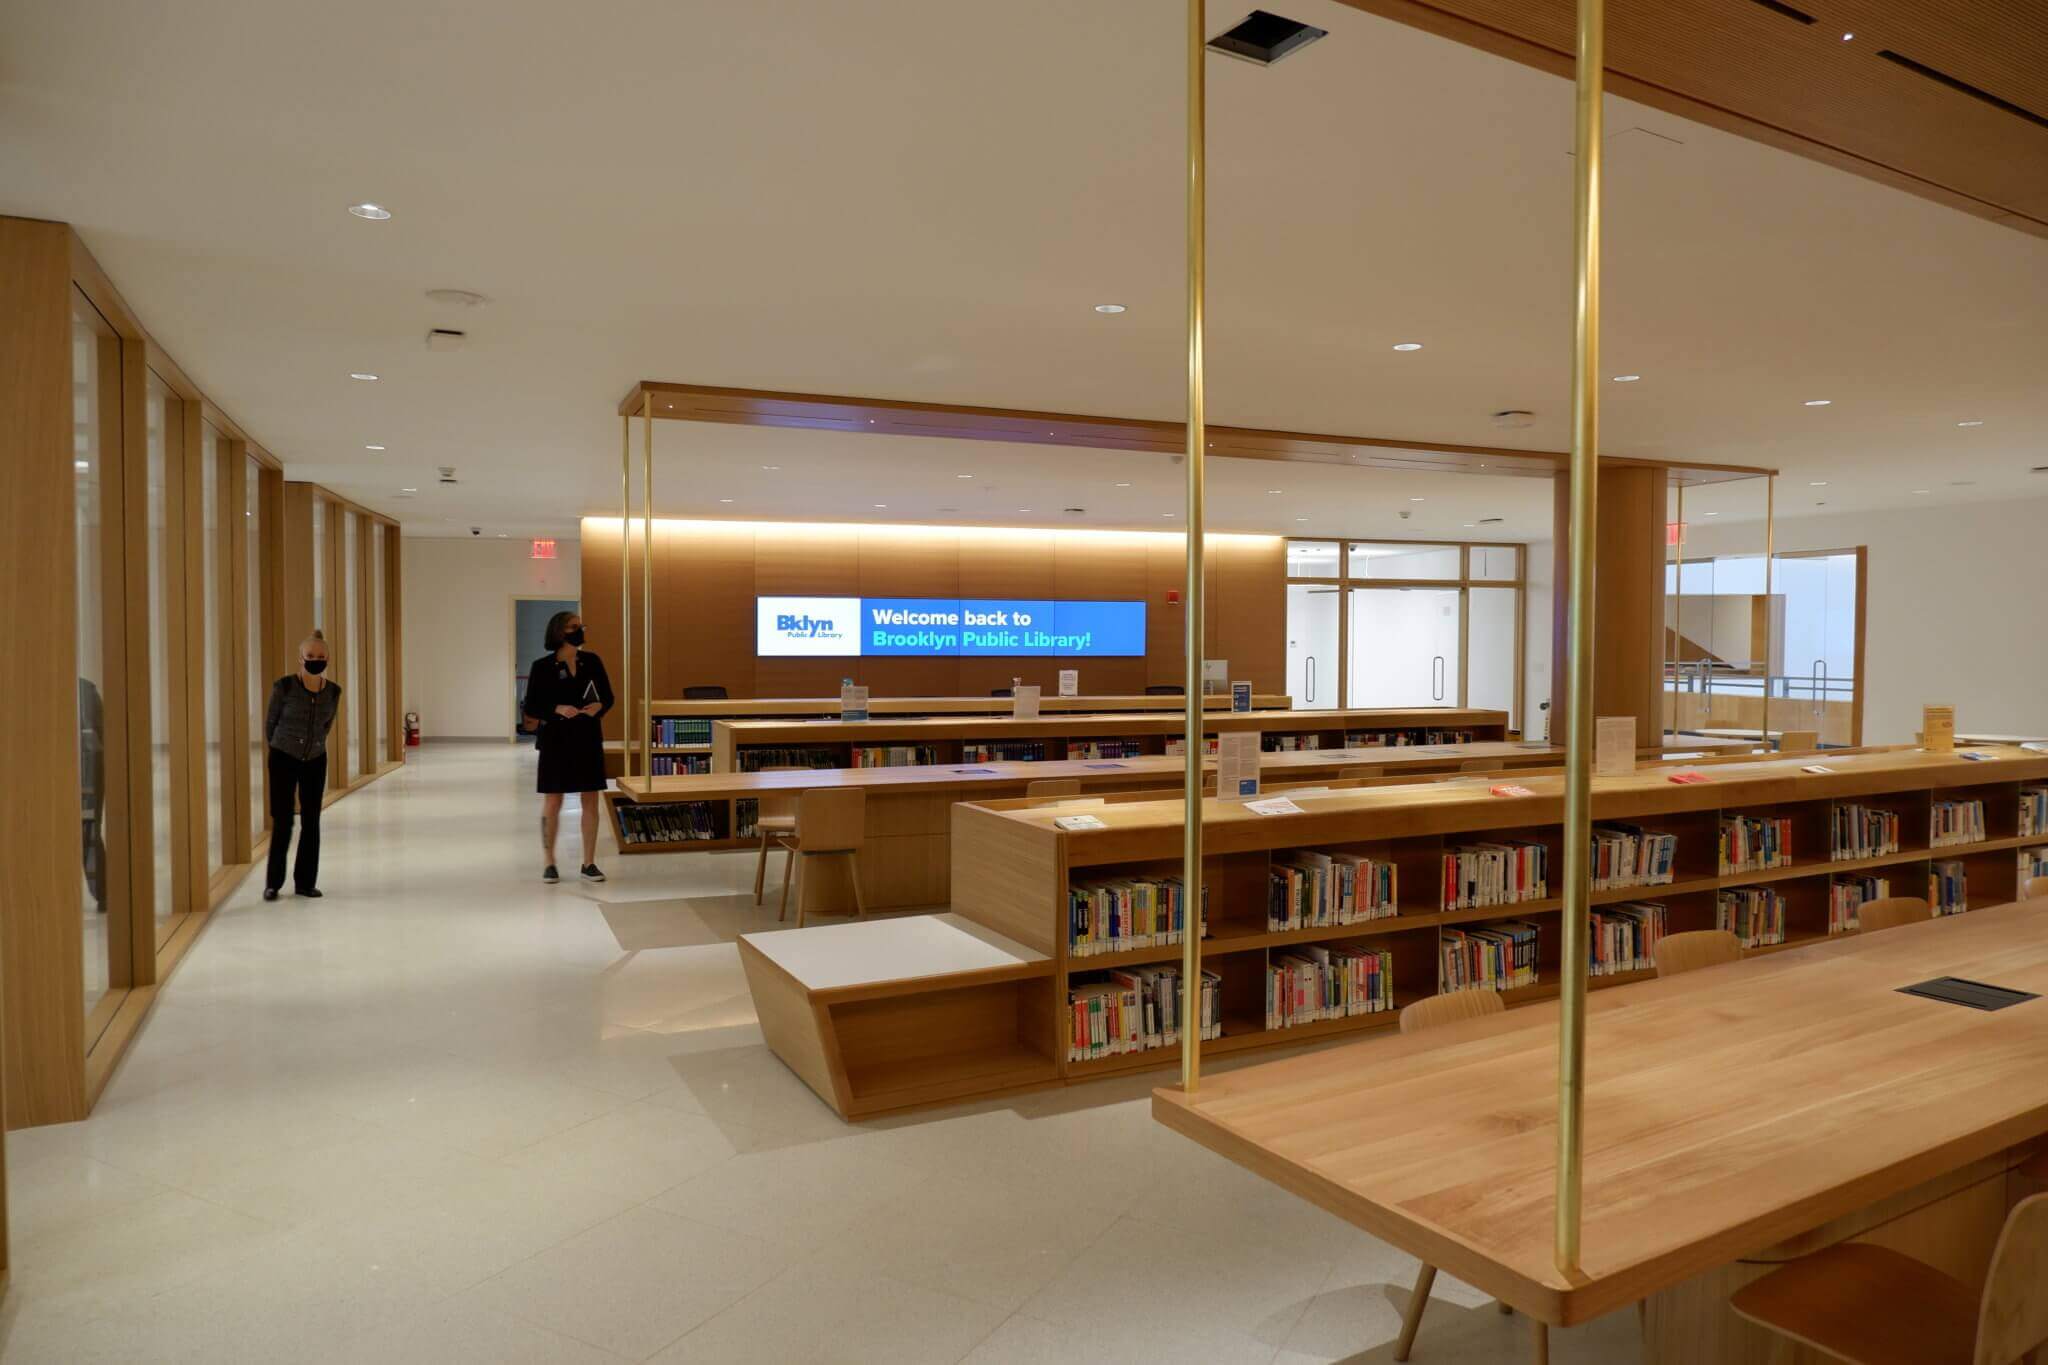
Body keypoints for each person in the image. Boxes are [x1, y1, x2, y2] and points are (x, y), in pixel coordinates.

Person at [521, 610, 613, 884]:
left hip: (587, 736)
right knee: (553, 799)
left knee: (590, 799)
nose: (580, 629)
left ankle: (589, 863)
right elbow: (532, 706)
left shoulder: (592, 661)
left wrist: (600, 706)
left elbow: (608, 696)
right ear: (560, 632)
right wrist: (557, 708)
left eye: (581, 625)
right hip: (555, 740)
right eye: (574, 626)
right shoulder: (542, 666)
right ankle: (549, 862)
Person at [264, 630, 341, 900]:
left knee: (312, 820)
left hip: (316, 760)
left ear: (328, 659)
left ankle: (305, 882)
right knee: (283, 820)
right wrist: (283, 746)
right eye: (310, 656)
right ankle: (273, 883)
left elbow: (326, 725)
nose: (315, 660)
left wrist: (314, 746)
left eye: (320, 657)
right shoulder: (283, 687)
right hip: (283, 758)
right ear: (300, 658)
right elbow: (270, 725)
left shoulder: (333, 691)